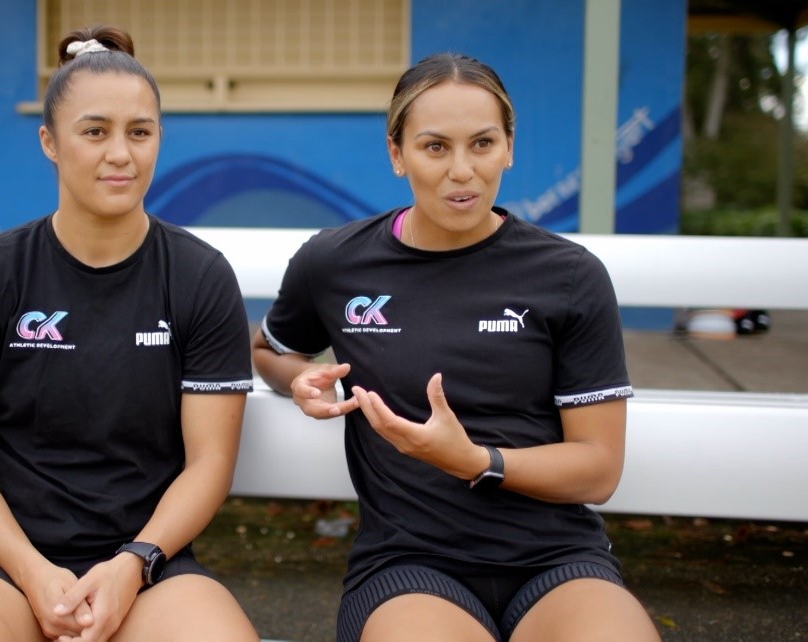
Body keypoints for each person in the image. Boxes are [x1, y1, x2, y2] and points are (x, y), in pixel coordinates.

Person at [252, 52, 661, 642]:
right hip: (408, 564)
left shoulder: (569, 275)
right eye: (435, 147)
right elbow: (266, 348)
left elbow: (597, 470)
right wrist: (294, 378)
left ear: (509, 148)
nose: (462, 170)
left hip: (556, 561)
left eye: (482, 144)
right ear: (398, 155)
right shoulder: (336, 262)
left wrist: (474, 461)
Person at [0, 25, 258, 642]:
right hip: (0, 566)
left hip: (149, 566)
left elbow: (209, 461)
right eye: (94, 131)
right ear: (50, 141)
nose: (120, 153)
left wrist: (132, 564)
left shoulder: (199, 277)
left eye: (139, 132)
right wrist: (32, 572)